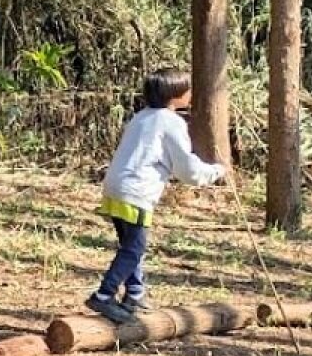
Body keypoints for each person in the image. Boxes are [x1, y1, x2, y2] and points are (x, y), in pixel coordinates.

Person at [86, 68, 227, 324]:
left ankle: (135, 294)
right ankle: (104, 296)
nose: (191, 94)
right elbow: (187, 170)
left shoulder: (141, 117)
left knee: (130, 244)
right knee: (135, 249)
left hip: (116, 187)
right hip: (135, 192)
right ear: (175, 96)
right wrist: (216, 171)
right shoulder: (171, 122)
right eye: (188, 90)